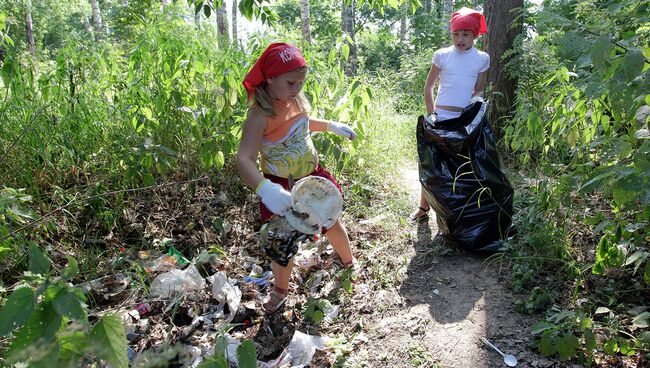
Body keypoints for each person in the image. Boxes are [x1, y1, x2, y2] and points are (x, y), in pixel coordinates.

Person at [237, 43, 357, 314]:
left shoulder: (295, 100)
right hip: (280, 187)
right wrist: (265, 189)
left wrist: (329, 126)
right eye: (291, 82)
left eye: (301, 83)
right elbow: (243, 159)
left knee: (331, 222)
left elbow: (303, 122)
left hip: (312, 179)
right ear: (270, 79)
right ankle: (281, 290)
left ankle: (349, 262)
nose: (297, 88)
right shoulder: (259, 115)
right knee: (283, 242)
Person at [409, 7, 490, 221]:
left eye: (465, 34)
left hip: (465, 122)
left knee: (463, 164)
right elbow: (428, 88)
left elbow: (478, 90)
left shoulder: (482, 58)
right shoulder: (442, 55)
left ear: (475, 35)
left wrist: (472, 115)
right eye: (456, 34)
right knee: (431, 163)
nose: (460, 39)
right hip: (441, 117)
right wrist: (432, 115)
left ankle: (459, 209)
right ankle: (423, 207)